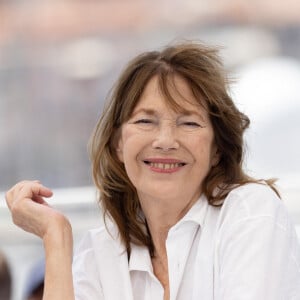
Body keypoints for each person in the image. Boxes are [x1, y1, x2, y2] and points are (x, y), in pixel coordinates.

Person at [5, 42, 300, 300]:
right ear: (118, 143)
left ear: (217, 150)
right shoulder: (101, 253)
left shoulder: (249, 213)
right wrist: (56, 237)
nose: (165, 141)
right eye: (146, 121)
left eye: (189, 123)